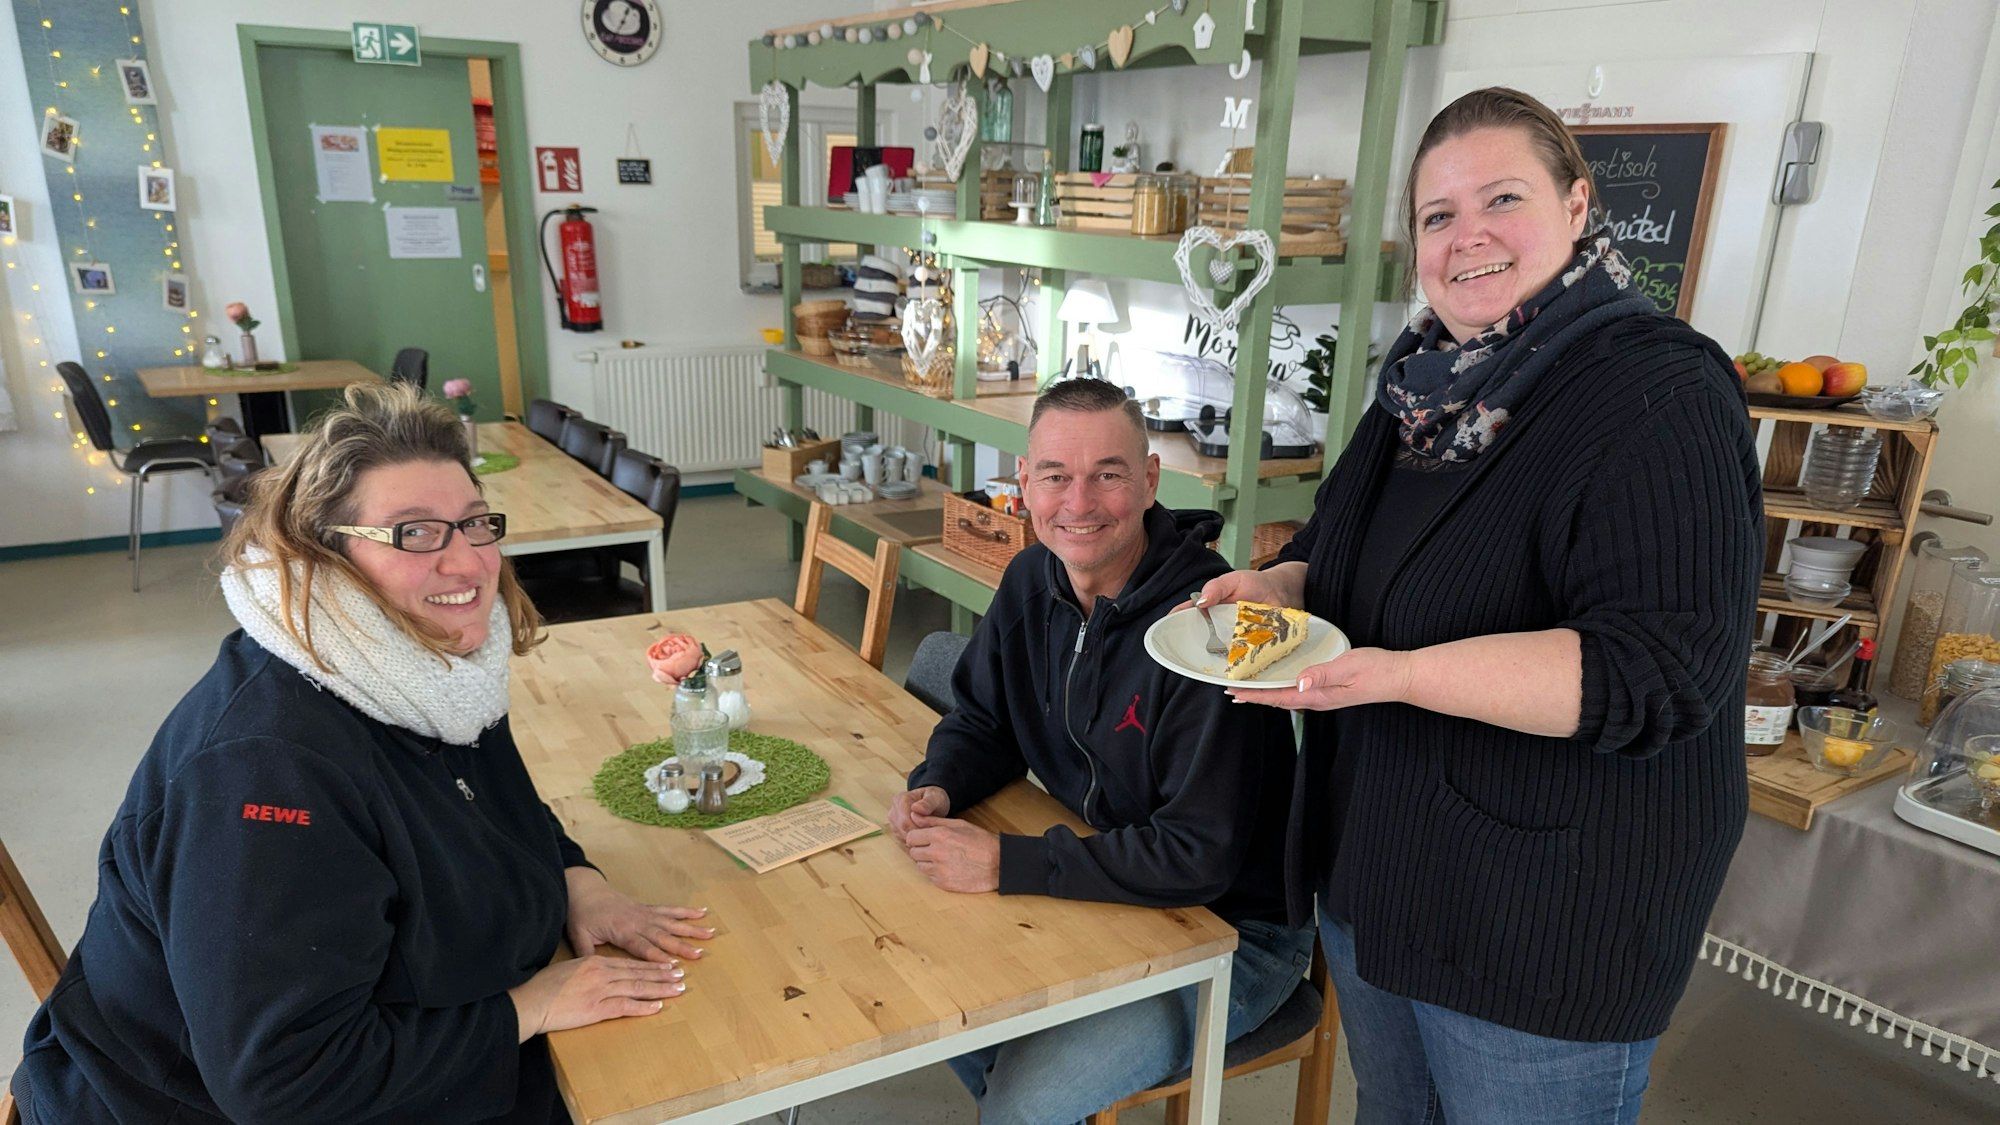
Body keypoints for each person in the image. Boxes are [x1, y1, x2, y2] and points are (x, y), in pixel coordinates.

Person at [1197, 87, 1764, 1124]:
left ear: (1577, 203)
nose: (1467, 238)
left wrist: (1402, 676)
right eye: (1435, 215)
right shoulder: (1422, 385)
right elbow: (1334, 548)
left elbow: (1661, 671)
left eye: (1500, 197)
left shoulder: (1657, 396)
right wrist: (1278, 586)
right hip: (1379, 869)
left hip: (1545, 916)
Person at [11, 383, 711, 1124]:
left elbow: (487, 802)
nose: (468, 563)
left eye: (475, 523)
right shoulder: (266, 767)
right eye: (414, 533)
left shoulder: (424, 669)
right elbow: (282, 1079)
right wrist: (528, 1007)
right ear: (325, 553)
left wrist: (577, 882)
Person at [888, 378, 1312, 1125]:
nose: (1078, 503)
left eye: (1108, 474)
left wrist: (1007, 863)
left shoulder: (1210, 627)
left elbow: (1198, 857)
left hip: (1228, 932)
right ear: (1023, 483)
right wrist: (940, 786)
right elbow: (983, 719)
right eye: (1055, 475)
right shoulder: (1029, 579)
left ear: (1149, 481)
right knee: (922, 988)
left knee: (1023, 1101)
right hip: (1101, 878)